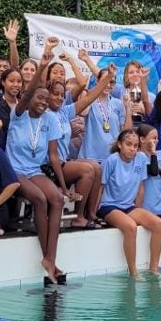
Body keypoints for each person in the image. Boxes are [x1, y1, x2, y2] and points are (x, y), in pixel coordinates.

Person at [7, 40, 69, 282]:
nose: (43, 102)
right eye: (39, 98)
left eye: (46, 99)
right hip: (15, 170)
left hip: (34, 170)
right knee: (40, 199)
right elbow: (28, 93)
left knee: (57, 198)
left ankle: (50, 258)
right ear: (29, 98)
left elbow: (53, 155)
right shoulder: (19, 114)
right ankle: (48, 258)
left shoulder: (50, 119)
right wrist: (42, 64)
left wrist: (63, 187)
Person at [47, 66, 115, 229]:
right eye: (55, 94)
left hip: (63, 161)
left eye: (62, 95)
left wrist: (107, 78)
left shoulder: (64, 111)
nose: (59, 98)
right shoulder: (43, 113)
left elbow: (89, 98)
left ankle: (90, 213)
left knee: (96, 167)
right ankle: (78, 217)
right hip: (49, 165)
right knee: (87, 170)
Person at [101, 130, 161, 277]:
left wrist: (139, 208)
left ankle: (154, 268)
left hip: (129, 206)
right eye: (128, 144)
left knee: (159, 224)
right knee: (131, 226)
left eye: (135, 146)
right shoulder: (112, 160)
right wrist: (93, 212)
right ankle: (133, 272)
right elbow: (101, 186)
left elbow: (141, 185)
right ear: (120, 144)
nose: (132, 148)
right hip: (108, 205)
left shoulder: (141, 158)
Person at [136, 124, 161, 219]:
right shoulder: (137, 156)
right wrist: (153, 153)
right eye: (154, 138)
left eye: (157, 138)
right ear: (142, 139)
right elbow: (153, 171)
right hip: (147, 205)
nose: (156, 141)